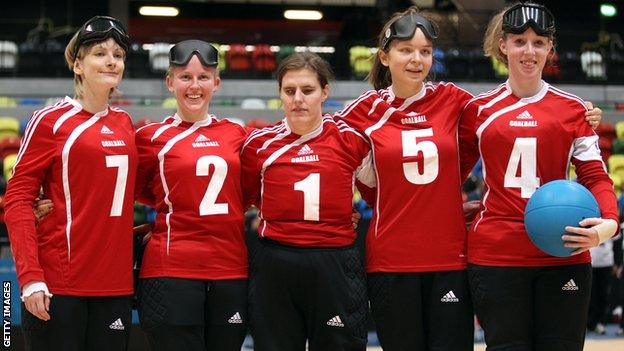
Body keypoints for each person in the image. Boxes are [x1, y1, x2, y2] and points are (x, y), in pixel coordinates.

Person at [333, 6, 603, 350]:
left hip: (451, 258)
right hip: (390, 257)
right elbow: (328, 151)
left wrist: (585, 115)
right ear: (385, 57)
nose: (416, 59)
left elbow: (511, 115)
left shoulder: (455, 101)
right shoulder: (363, 111)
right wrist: (344, 206)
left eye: (425, 52)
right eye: (406, 50)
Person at [458, 2, 619, 349]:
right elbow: (450, 174)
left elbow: (595, 176)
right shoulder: (477, 110)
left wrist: (609, 222)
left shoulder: (574, 109)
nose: (528, 51)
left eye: (538, 42)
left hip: (564, 249)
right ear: (503, 45)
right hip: (496, 254)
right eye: (519, 41)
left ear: (550, 48)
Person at [4, 16, 136, 350]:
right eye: (99, 53)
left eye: (118, 55)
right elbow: (18, 200)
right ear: (77, 64)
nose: (111, 61)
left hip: (115, 286)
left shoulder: (125, 124)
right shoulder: (50, 120)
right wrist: (31, 278)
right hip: (59, 284)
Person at [241, 52, 375, 351]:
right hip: (275, 262)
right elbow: (243, 197)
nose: (298, 99)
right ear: (280, 94)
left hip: (335, 262)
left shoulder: (351, 141)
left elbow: (378, 194)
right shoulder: (258, 145)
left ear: (324, 92)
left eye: (308, 90)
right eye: (289, 91)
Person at [134, 40, 248, 351]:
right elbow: (127, 187)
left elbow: (251, 190)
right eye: (185, 77)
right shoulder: (149, 137)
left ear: (217, 83)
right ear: (170, 82)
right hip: (171, 269)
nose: (194, 86)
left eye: (203, 77)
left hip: (230, 270)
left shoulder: (238, 135)